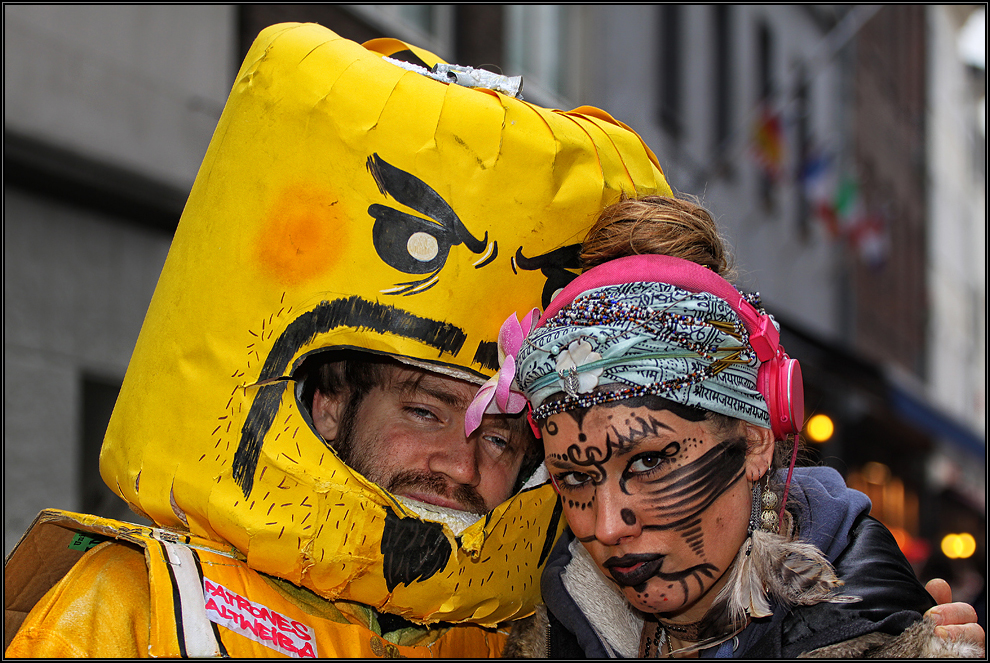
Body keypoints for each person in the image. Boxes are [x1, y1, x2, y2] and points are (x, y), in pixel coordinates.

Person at [4, 23, 674, 658]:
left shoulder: (527, 639)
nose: (461, 466)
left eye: (498, 437)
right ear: (328, 403)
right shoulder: (135, 606)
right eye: (425, 411)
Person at [475, 195, 985, 658]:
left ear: (756, 440)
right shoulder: (551, 628)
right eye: (577, 477)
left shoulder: (868, 635)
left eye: (651, 461)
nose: (607, 526)